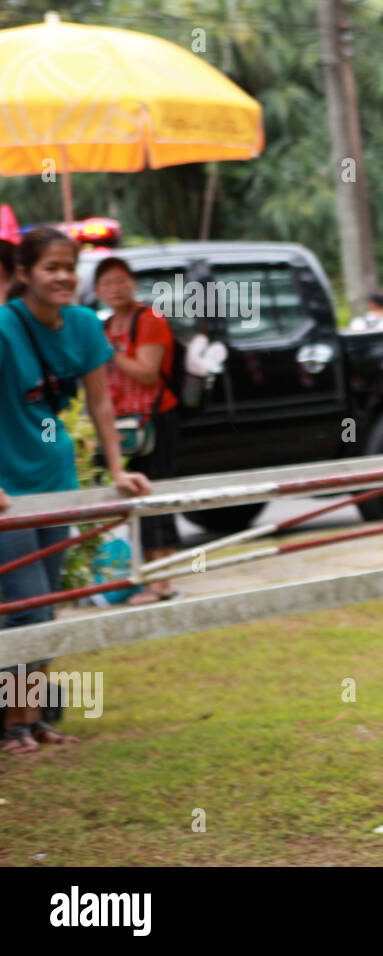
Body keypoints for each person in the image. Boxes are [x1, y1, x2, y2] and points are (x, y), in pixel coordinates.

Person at [0, 227, 151, 754]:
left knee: (49, 604)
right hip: (8, 491)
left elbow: (101, 404)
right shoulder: (3, 327)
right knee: (27, 607)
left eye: (70, 266)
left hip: (57, 481)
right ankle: (16, 723)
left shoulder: (86, 325)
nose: (63, 277)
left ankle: (33, 719)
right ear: (24, 273)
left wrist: (116, 470)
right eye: (50, 267)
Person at [94, 256, 181, 603]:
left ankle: (163, 583)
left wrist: (110, 353)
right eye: (107, 283)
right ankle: (147, 577)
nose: (115, 288)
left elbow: (147, 372)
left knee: (156, 496)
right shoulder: (105, 325)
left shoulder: (149, 320)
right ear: (98, 290)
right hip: (122, 423)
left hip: (155, 418)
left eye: (121, 280)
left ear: (133, 283)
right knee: (133, 499)